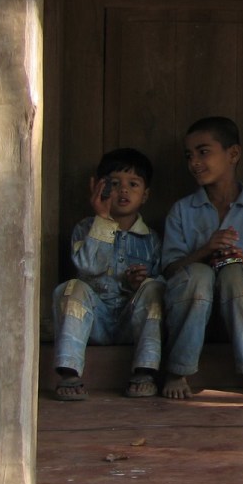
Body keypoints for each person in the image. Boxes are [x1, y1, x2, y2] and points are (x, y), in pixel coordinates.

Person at [161, 116, 243, 399]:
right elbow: (169, 270)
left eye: (203, 152)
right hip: (190, 309)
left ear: (233, 154)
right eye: (189, 155)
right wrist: (205, 250)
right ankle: (178, 369)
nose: (194, 162)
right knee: (199, 274)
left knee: (235, 273)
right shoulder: (182, 211)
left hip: (241, 309)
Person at [52, 148, 164, 400]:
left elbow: (159, 288)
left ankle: (144, 372)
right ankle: (69, 373)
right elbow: (89, 267)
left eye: (133, 184)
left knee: (155, 288)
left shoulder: (151, 239)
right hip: (94, 322)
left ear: (145, 195)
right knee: (71, 288)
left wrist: (138, 284)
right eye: (114, 184)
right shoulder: (84, 229)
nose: (123, 190)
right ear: (99, 188)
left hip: (129, 324)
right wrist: (102, 219)